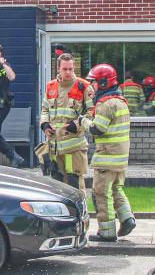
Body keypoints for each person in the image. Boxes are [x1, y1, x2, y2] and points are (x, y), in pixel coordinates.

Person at [84, 64, 134, 242]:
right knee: (115, 189)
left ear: (104, 83)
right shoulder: (120, 101)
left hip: (107, 157)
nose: (92, 86)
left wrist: (84, 121)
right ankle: (127, 218)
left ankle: (106, 232)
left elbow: (98, 129)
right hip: (120, 159)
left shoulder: (106, 104)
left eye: (94, 82)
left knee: (100, 193)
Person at [39, 53, 91, 201]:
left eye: (70, 69)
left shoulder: (83, 86)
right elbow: (45, 109)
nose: (68, 72)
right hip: (55, 146)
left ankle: (81, 220)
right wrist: (44, 124)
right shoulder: (50, 86)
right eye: (65, 69)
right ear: (58, 68)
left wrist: (78, 125)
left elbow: (91, 112)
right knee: (56, 185)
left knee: (75, 186)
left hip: (74, 146)